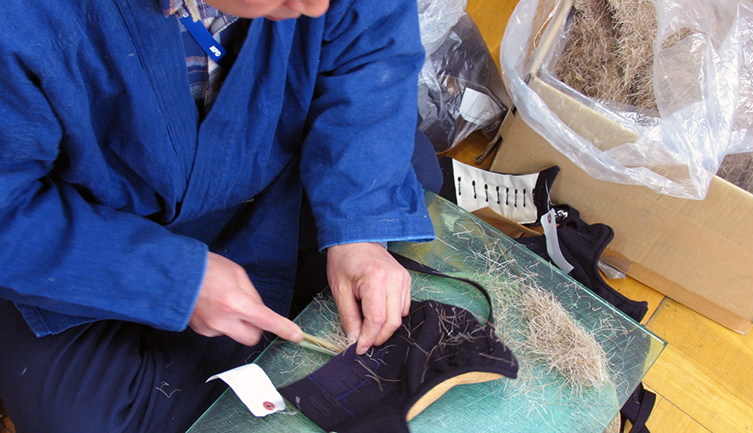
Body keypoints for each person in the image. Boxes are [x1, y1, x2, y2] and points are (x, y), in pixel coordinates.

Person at [0, 0, 437, 431]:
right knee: (86, 419)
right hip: (97, 234)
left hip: (268, 161)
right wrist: (169, 278)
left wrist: (359, 229)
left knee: (411, 178)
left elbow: (372, 58)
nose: (315, 4)